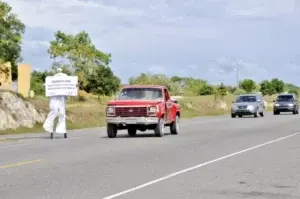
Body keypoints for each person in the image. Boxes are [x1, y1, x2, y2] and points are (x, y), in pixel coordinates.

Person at [43, 68, 68, 139]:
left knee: (62, 114)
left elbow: (69, 87)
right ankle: (50, 128)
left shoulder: (64, 79)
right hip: (54, 100)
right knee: (53, 114)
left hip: (61, 100)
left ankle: (62, 130)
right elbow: (46, 86)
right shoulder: (52, 80)